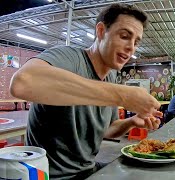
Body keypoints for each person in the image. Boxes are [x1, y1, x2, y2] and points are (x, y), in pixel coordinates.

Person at [9, 4, 162, 180]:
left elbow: (107, 131)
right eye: (125, 36)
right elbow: (22, 82)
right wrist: (123, 95)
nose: (131, 48)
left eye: (136, 42)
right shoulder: (69, 58)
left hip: (87, 170)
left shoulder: (111, 77)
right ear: (101, 31)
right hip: (51, 175)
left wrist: (131, 122)